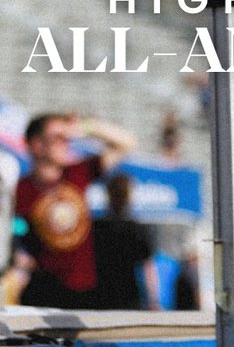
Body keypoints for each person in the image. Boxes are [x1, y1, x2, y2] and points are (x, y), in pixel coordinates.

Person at [14, 113, 136, 309]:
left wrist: (86, 127)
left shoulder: (77, 173)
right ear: (37, 144)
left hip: (84, 291)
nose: (66, 142)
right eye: (58, 138)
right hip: (42, 292)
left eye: (67, 138)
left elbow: (126, 143)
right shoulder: (20, 189)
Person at [92, 172, 159, 309]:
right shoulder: (137, 229)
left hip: (100, 294)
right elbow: (148, 268)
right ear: (129, 196)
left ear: (108, 195)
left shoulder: (96, 227)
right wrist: (153, 301)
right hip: (129, 295)